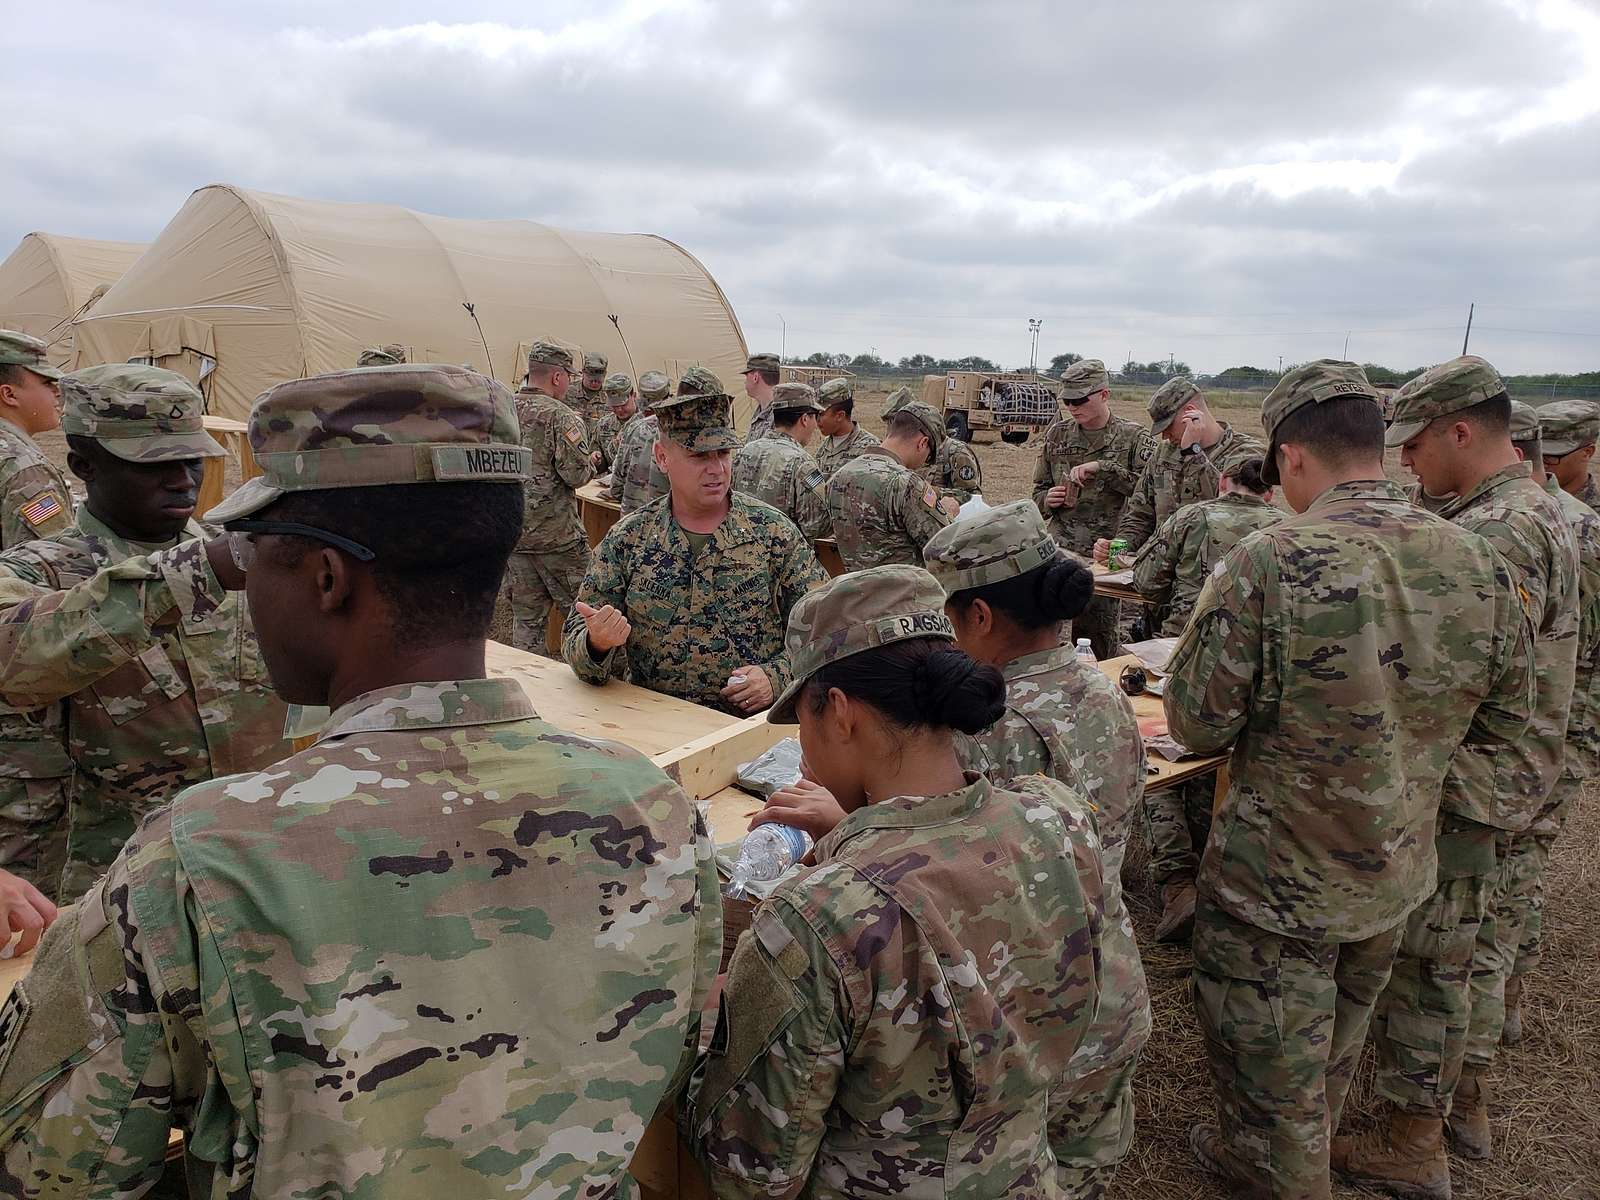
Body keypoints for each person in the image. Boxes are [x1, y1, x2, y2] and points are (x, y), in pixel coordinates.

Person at [0, 363, 719, 1197]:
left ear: (326, 580)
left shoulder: (194, 868)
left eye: (255, 558)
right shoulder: (655, 806)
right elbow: (672, 1065)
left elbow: (52, 1173)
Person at [1163, 360, 1536, 1200]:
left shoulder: (1268, 561)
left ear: (1292, 457)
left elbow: (1193, 722)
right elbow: (1506, 719)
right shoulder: (1478, 561)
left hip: (1276, 884)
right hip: (1398, 870)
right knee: (1329, 1049)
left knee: (1272, 1072)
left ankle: (1282, 1173)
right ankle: (1266, 1157)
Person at [681, 564, 1107, 1196]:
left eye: (801, 718)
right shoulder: (1059, 819)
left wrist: (712, 1025)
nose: (801, 744)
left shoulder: (818, 918)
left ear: (841, 712)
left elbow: (752, 1169)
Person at [1346, 357, 1576, 1184]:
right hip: (1510, 773)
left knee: (1429, 965)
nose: (1406, 464)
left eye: (1413, 445)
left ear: (1461, 430)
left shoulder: (1496, 534)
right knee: (1471, 950)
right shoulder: (1540, 511)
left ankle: (1411, 1139)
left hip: (1470, 780)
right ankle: (1460, 1102)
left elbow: (1447, 677)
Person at [924, 502, 1152, 1196]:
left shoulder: (990, 726)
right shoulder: (1101, 691)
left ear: (982, 618)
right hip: (1110, 988)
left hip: (1035, 1019)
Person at [0, 363, 290, 902]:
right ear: (83, 465)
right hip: (107, 894)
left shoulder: (248, 562)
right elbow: (15, 657)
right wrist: (198, 573)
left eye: (190, 459)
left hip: (251, 878)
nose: (183, 479)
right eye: (153, 465)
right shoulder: (35, 574)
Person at [563, 371, 827, 715]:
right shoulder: (630, 538)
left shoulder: (773, 533)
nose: (716, 469)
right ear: (662, 457)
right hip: (651, 723)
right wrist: (597, 644)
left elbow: (826, 630)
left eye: (724, 454)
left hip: (741, 731)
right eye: (700, 457)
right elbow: (576, 641)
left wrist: (776, 676)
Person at [1130, 455, 1285, 942]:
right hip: (1265, 670)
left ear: (1223, 483)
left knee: (1159, 764)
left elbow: (1145, 579)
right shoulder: (1290, 526)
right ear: (1270, 492)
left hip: (1182, 657)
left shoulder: (1192, 517)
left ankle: (1178, 882)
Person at [1500, 401, 1600, 1045]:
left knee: (1514, 863)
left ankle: (1500, 997)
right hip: (1557, 721)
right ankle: (1502, 997)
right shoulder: (1569, 520)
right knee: (1522, 862)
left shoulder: (1555, 527)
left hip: (1553, 721)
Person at [0, 332, 75, 905]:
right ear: (8, 391)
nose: (56, 392)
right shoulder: (23, 468)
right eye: (45, 382)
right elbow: (57, 578)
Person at [1032, 358, 1154, 659]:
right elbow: (1037, 491)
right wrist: (1048, 499)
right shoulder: (1057, 435)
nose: (1073, 407)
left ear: (1104, 394)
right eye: (1068, 400)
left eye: (1080, 399)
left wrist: (1105, 469)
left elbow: (1146, 494)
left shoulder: (1134, 438)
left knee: (1095, 645)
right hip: (1060, 551)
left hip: (1104, 554)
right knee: (1042, 638)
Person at [1098, 377, 1261, 568]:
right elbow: (1140, 514)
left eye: (1168, 427)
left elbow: (1235, 512)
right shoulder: (1164, 453)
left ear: (1191, 413)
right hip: (1157, 578)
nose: (1165, 436)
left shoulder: (1247, 454)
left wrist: (1193, 453)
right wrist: (1121, 547)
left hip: (1213, 580)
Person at [504, 342, 593, 655]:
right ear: (557, 377)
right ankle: (588, 691)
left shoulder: (503, 410)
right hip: (559, 541)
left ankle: (530, 692)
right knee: (586, 617)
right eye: (568, 375)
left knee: (526, 625)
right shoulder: (561, 417)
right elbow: (577, 475)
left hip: (515, 537)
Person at [826, 400, 956, 571]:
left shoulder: (839, 476)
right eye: (928, 455)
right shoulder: (906, 484)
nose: (924, 462)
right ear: (922, 443)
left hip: (855, 593)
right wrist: (948, 514)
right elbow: (945, 550)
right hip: (903, 594)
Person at [729, 382, 830, 539]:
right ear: (804, 419)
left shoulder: (744, 452)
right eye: (815, 417)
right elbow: (817, 526)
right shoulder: (803, 464)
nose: (816, 425)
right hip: (785, 557)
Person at [885, 385, 983, 505]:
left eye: (894, 420)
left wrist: (932, 493)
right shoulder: (897, 448)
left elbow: (972, 497)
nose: (894, 427)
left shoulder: (956, 453)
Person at [608, 369, 672, 510]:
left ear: (640, 398)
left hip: (634, 518)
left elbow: (617, 482)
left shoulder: (634, 429)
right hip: (666, 517)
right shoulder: (679, 430)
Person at [1538, 398, 1600, 512]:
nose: (1540, 463)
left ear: (1587, 452)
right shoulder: (1522, 499)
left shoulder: (1594, 519)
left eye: (1550, 456)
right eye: (1536, 454)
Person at [812, 376, 880, 477]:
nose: (816, 420)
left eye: (821, 414)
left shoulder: (870, 449)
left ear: (840, 416)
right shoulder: (824, 448)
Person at [594, 371, 638, 473]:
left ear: (634, 396)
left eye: (623, 405)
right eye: (614, 406)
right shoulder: (604, 425)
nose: (619, 410)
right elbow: (600, 463)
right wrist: (596, 459)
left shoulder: (647, 423)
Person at [565, 349, 610, 443]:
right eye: (591, 380)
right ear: (583, 372)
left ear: (605, 375)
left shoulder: (610, 396)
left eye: (598, 381)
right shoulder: (567, 391)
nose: (594, 383)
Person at [742, 351, 781, 442]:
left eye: (746, 376)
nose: (745, 381)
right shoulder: (761, 411)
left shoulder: (779, 417)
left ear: (755, 377)